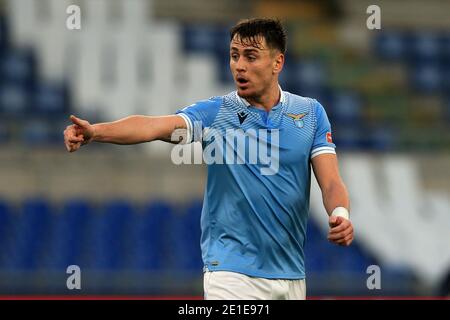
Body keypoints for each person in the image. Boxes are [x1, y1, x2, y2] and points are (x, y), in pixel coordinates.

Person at [64, 18, 353, 300]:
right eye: (234, 55)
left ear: (277, 63)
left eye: (251, 57)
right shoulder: (216, 113)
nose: (239, 65)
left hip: (291, 275)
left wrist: (339, 213)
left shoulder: (311, 114)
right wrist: (96, 132)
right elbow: (153, 126)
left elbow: (330, 183)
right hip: (232, 275)